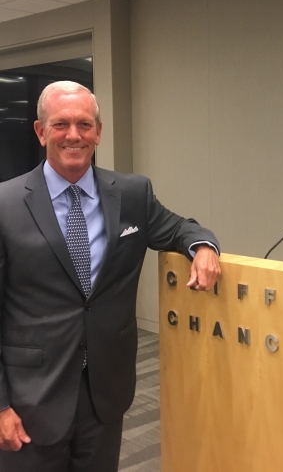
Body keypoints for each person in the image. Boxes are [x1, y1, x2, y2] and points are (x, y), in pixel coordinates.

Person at [0, 81, 221, 471]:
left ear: (98, 132)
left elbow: (179, 228)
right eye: (61, 124)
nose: (74, 135)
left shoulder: (133, 194)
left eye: (85, 125)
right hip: (30, 397)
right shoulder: (5, 205)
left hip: (105, 393)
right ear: (40, 131)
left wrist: (203, 247)